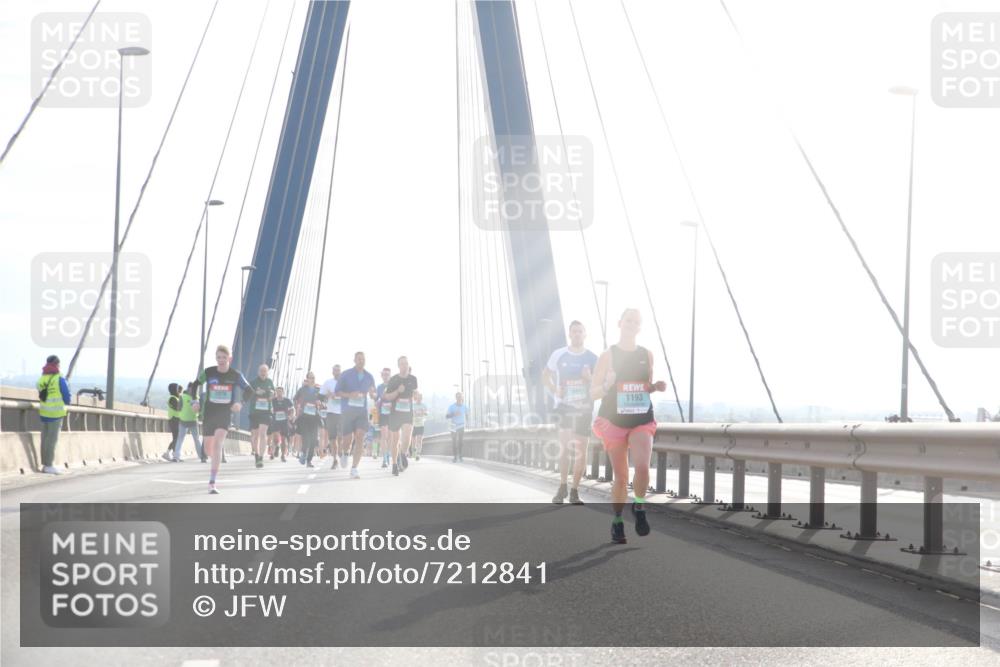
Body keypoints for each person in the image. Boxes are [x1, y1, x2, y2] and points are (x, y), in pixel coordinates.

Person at [590, 309, 668, 544]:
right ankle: (617, 521)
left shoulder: (647, 354)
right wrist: (607, 384)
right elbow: (592, 393)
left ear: (639, 327)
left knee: (642, 468)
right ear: (619, 323)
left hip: (641, 419)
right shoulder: (608, 355)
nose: (631, 325)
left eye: (636, 322)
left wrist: (655, 387)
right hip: (613, 421)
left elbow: (644, 386)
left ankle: (640, 507)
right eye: (628, 321)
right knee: (622, 478)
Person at [544, 321, 599, 505]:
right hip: (564, 407)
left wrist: (588, 378)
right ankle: (562, 486)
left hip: (584, 408)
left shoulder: (593, 358)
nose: (577, 334)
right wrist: (554, 389)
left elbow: (599, 387)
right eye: (574, 332)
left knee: (581, 451)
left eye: (580, 332)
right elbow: (545, 375)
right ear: (570, 334)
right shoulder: (558, 354)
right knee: (565, 448)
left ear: (585, 334)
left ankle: (575, 490)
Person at [193, 345, 250, 494]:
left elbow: (249, 390)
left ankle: (212, 482)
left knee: (218, 444)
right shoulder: (209, 372)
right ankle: (215, 460)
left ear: (229, 358)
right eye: (219, 357)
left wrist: (240, 403)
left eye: (224, 357)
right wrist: (195, 401)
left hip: (225, 414)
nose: (221, 360)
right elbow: (194, 385)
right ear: (216, 358)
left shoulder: (236, 375)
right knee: (207, 449)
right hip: (209, 413)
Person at [334, 351, 376, 479]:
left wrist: (373, 394)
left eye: (363, 359)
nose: (361, 361)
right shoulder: (346, 374)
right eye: (358, 359)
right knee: (347, 440)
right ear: (354, 360)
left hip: (361, 412)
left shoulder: (369, 376)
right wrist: (349, 395)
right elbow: (337, 392)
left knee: (360, 436)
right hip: (348, 412)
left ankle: (354, 468)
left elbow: (373, 394)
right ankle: (345, 453)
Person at [36, 354, 71, 475]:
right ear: (57, 364)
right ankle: (49, 465)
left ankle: (45, 464)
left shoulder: (42, 378)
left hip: (44, 412)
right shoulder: (59, 378)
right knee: (52, 440)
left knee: (45, 439)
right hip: (56, 413)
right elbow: (67, 396)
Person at [384, 356, 418, 476]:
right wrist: (398, 391)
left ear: (408, 365)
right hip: (395, 413)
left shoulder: (413, 379)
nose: (404, 366)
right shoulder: (393, 380)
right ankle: (394, 464)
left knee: (408, 434)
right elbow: (387, 397)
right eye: (402, 364)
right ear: (398, 366)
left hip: (407, 412)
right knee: (395, 439)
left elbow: (415, 393)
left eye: (406, 364)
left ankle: (403, 454)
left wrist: (416, 395)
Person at [248, 364, 275, 469]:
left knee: (263, 434)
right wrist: (255, 392)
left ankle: (261, 457)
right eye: (261, 371)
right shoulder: (253, 382)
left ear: (267, 372)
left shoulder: (270, 382)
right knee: (255, 436)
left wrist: (271, 395)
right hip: (254, 412)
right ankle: (256, 454)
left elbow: (273, 394)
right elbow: (248, 394)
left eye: (265, 371)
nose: (263, 373)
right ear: (258, 372)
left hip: (266, 412)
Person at [294, 371, 322, 468]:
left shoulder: (318, 390)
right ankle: (303, 453)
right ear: (307, 379)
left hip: (314, 417)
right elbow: (295, 399)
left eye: (313, 378)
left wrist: (320, 404)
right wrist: (298, 408)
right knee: (306, 438)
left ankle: (309, 461)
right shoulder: (302, 389)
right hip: (304, 417)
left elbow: (324, 401)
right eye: (310, 378)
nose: (312, 379)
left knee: (313, 440)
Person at [321, 364, 346, 469]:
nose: (337, 372)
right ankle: (335, 459)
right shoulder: (328, 383)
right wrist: (328, 395)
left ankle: (340, 451)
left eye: (338, 371)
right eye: (335, 370)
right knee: (332, 438)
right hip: (331, 413)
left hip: (342, 413)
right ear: (332, 372)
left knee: (341, 436)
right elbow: (320, 396)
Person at [177, 381, 205, 462]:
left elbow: (200, 410)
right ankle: (177, 456)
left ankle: (201, 456)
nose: (194, 390)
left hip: (192, 421)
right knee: (181, 439)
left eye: (195, 389)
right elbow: (178, 408)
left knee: (196, 439)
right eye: (193, 388)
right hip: (184, 421)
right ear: (189, 388)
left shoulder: (196, 398)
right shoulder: (184, 397)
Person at [268, 386, 293, 462]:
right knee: (275, 438)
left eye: (280, 391)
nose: (279, 393)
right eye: (277, 391)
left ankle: (283, 455)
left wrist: (291, 415)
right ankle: (272, 453)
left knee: (284, 438)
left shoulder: (287, 400)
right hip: (275, 420)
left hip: (284, 421)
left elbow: (292, 408)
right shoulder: (273, 400)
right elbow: (269, 407)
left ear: (283, 392)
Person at [162, 382, 183, 462]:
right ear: (174, 389)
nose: (179, 390)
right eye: (177, 388)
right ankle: (167, 453)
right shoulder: (172, 398)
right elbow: (178, 408)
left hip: (177, 419)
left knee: (176, 438)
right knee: (176, 438)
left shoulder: (176, 397)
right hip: (173, 419)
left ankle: (175, 455)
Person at [376, 367, 392, 468]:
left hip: (392, 414)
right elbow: (377, 400)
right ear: (381, 376)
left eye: (387, 374)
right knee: (384, 436)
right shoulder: (379, 387)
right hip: (383, 413)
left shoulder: (393, 386)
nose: (385, 376)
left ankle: (388, 454)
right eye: (384, 374)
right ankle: (385, 459)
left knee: (390, 437)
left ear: (390, 376)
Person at [446, 392, 468, 462]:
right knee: (454, 442)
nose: (459, 398)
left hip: (461, 425)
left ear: (462, 398)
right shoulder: (451, 406)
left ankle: (460, 456)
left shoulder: (465, 407)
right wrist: (453, 414)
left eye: (460, 397)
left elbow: (467, 416)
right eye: (458, 397)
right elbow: (447, 416)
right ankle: (455, 457)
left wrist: (467, 423)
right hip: (453, 425)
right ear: (456, 398)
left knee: (460, 442)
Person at [411, 390, 428, 460]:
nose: (419, 399)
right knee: (413, 440)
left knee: (419, 439)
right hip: (413, 424)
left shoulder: (424, 405)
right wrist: (413, 413)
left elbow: (427, 413)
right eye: (418, 397)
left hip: (421, 424)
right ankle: (414, 453)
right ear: (416, 398)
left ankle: (418, 453)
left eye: (420, 398)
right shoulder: (412, 405)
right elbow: (410, 413)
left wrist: (423, 412)